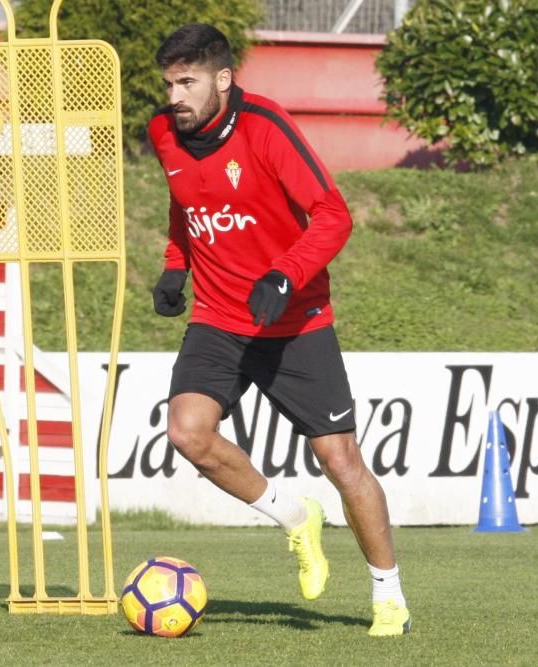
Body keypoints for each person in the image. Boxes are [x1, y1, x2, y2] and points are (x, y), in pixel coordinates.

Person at [147, 23, 411, 637]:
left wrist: (285, 276)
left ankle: (388, 593)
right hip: (217, 316)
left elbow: (333, 215)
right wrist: (173, 265)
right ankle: (295, 516)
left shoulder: (266, 128)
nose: (175, 98)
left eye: (187, 83)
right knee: (187, 432)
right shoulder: (165, 134)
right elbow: (184, 205)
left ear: (223, 78)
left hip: (295, 320)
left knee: (341, 460)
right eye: (168, 84)